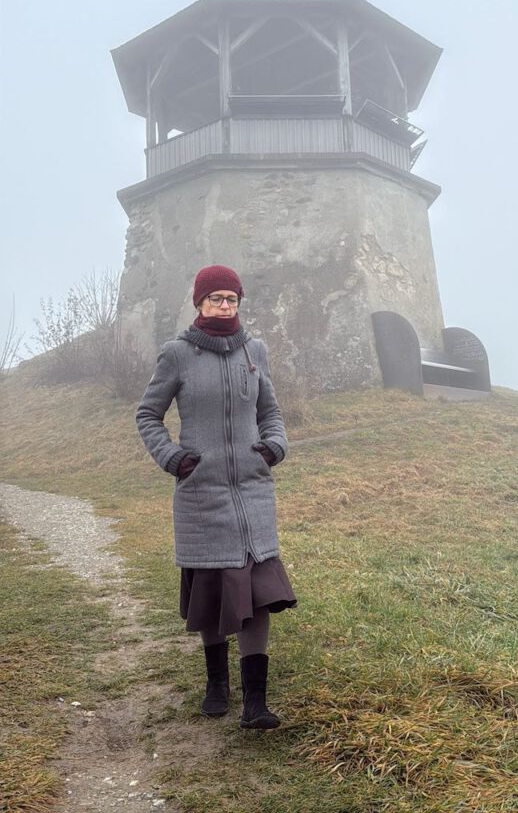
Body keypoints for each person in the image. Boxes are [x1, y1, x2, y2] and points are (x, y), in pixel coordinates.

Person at [135, 264, 296, 729]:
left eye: (232, 299)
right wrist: (174, 458)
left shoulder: (255, 351)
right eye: (216, 298)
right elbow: (148, 414)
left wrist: (273, 448)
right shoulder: (177, 354)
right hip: (201, 492)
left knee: (256, 594)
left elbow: (271, 411)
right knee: (211, 590)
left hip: (252, 492)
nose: (225, 306)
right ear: (199, 303)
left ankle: (255, 703)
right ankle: (216, 685)